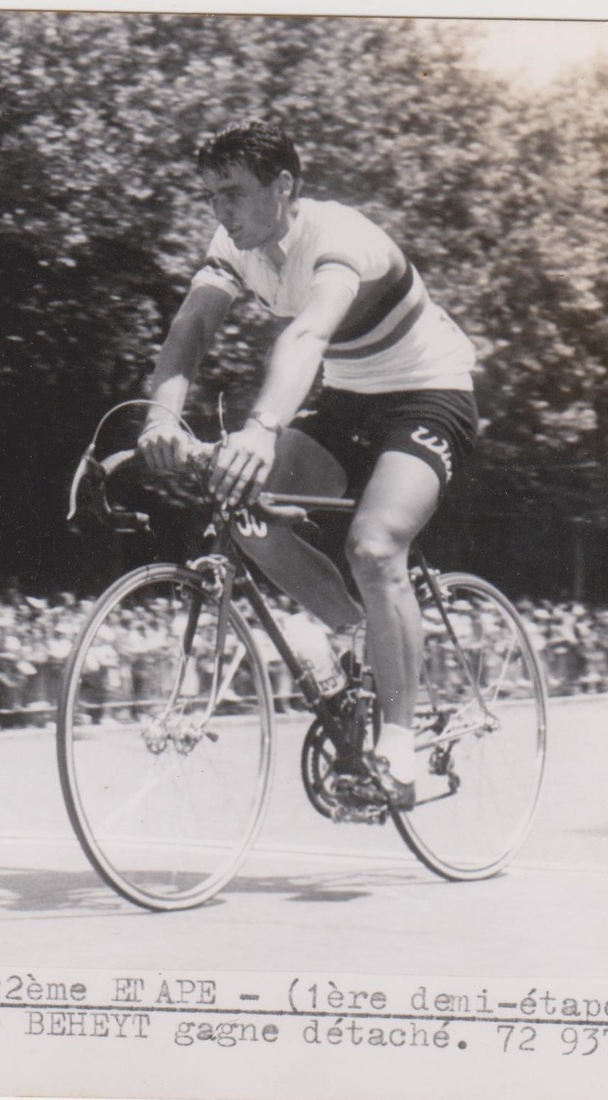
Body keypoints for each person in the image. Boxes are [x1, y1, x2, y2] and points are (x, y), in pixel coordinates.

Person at [138, 120, 479, 806]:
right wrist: (160, 418)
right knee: (244, 511)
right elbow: (190, 330)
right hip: (351, 395)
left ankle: (399, 752)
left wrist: (264, 427)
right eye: (210, 196)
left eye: (232, 193)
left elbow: (309, 332)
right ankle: (358, 637)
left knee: (376, 546)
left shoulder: (338, 237)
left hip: (429, 392)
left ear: (284, 187)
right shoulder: (233, 248)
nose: (220, 211)